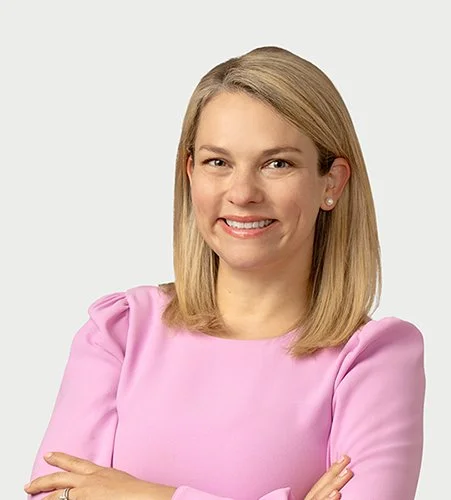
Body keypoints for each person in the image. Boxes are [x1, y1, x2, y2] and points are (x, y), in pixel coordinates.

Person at [24, 46, 426, 500]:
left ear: (331, 182)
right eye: (218, 162)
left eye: (277, 163)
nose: (243, 193)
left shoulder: (371, 359)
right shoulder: (120, 332)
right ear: (191, 172)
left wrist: (141, 494)